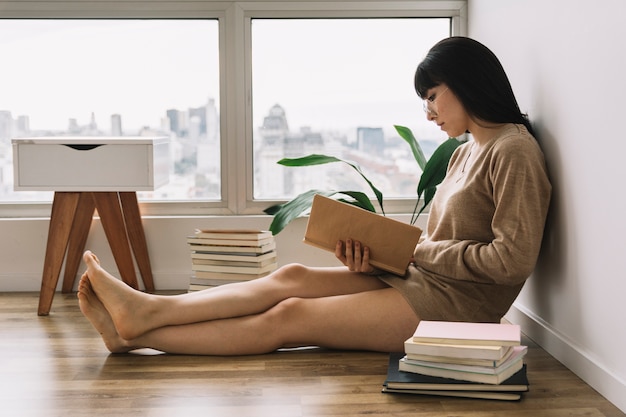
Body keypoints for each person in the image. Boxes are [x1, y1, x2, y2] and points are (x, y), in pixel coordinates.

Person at [78, 36, 551, 355]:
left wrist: (417, 251)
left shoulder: (514, 152)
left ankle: (144, 334)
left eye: (432, 95)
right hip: (420, 279)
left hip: (459, 306)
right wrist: (383, 255)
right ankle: (148, 311)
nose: (428, 112)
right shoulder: (463, 152)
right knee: (291, 276)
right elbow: (441, 244)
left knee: (290, 317)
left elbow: (510, 261)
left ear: (466, 82)